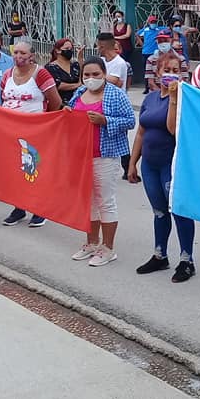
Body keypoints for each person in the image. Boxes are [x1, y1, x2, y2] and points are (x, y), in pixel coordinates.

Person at [129, 53, 197, 283]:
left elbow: (172, 130)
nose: (170, 74)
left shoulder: (184, 100)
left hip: (171, 163)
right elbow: (141, 131)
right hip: (150, 163)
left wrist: (175, 97)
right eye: (166, 69)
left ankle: (187, 260)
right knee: (159, 210)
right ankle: (160, 255)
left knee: (178, 210)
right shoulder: (150, 99)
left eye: (175, 70)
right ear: (157, 73)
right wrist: (132, 163)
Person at [67, 57, 135, 267]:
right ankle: (91, 242)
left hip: (106, 155)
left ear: (104, 74)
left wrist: (105, 121)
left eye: (96, 74)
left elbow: (130, 121)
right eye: (86, 75)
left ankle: (108, 248)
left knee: (105, 200)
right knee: (89, 200)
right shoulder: (79, 93)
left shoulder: (115, 94)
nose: (91, 79)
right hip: (82, 155)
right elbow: (70, 113)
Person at [0, 41, 63, 228]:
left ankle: (39, 209)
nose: (18, 55)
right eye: (16, 52)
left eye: (23, 52)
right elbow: (3, 98)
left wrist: (42, 122)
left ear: (31, 55)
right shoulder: (7, 75)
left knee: (33, 169)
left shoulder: (40, 74)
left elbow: (55, 101)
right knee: (15, 170)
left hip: (35, 132)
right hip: (10, 132)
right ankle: (19, 208)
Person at [45, 38, 83, 106]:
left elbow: (83, 77)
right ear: (58, 50)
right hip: (61, 104)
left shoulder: (75, 65)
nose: (70, 51)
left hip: (77, 102)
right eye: (67, 48)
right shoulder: (51, 67)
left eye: (71, 49)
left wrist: (80, 58)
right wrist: (77, 85)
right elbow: (58, 85)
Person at [137, 15, 162, 93]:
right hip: (146, 52)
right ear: (149, 22)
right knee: (146, 71)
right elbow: (137, 34)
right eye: (152, 22)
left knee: (156, 70)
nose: (153, 23)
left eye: (154, 22)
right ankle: (146, 87)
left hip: (155, 53)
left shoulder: (159, 30)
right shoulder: (145, 30)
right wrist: (142, 44)